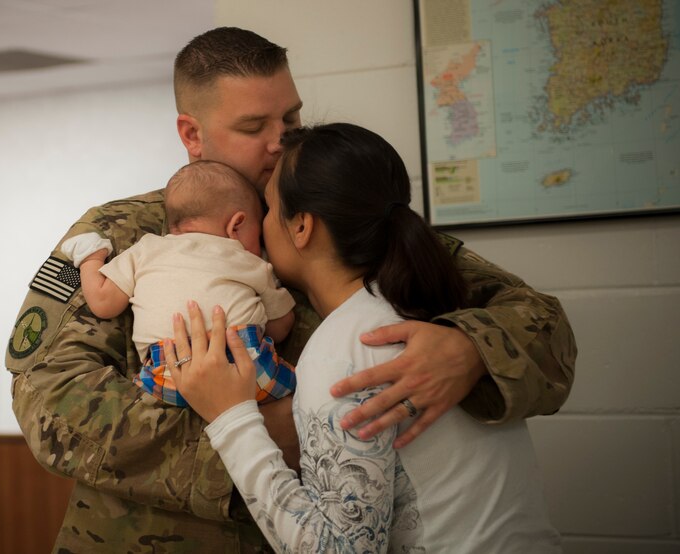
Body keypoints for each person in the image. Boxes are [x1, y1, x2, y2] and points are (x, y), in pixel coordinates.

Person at [5, 27, 576, 552]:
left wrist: (471, 348)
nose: (282, 142)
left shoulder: (345, 212)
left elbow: (541, 325)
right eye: (255, 128)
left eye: (292, 121)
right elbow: (51, 403)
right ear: (192, 134)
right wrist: (265, 434)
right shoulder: (128, 234)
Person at [167, 123, 562, 552]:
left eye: (267, 208)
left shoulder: (344, 354)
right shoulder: (438, 312)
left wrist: (231, 418)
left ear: (301, 227)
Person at [73, 160, 297, 408]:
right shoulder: (246, 258)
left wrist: (91, 259)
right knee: (304, 395)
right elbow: (281, 327)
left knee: (139, 405)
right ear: (237, 225)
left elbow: (103, 302)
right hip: (248, 368)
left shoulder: (146, 249)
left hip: (166, 374)